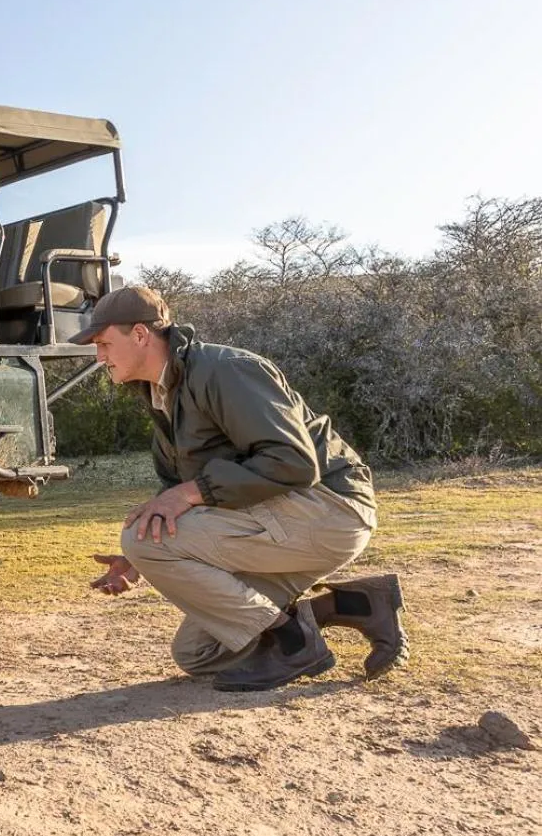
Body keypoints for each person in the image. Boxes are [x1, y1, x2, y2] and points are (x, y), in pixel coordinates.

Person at [80, 286, 407, 691]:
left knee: (141, 538)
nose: (99, 357)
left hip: (330, 507)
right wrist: (140, 558)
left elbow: (293, 461)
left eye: (104, 343)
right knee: (199, 653)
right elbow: (185, 498)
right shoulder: (161, 396)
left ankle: (294, 643)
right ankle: (357, 605)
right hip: (284, 522)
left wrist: (170, 513)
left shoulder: (223, 369)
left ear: (142, 335)